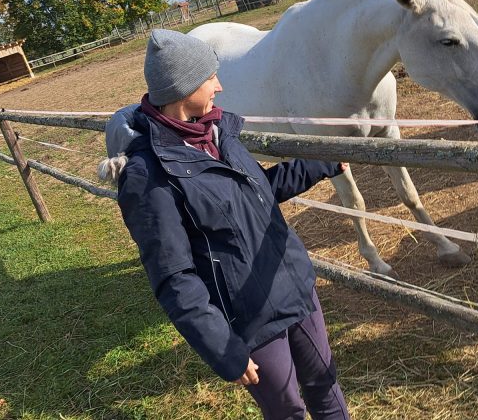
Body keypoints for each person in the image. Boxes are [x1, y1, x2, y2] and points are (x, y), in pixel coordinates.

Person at [113, 29, 351, 419]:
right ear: (182, 86)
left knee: (325, 386)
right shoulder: (148, 177)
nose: (220, 86)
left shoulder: (218, 134)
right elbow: (175, 278)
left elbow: (258, 192)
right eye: (210, 77)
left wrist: (320, 165)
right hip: (250, 317)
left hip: (293, 284)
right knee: (288, 411)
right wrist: (223, 348)